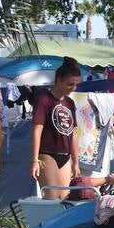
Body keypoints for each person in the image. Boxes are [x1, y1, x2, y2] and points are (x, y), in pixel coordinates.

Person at [30, 57, 82, 196]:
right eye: (70, 84)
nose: (73, 88)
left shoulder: (70, 103)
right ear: (59, 80)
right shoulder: (43, 100)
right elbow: (37, 131)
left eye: (76, 84)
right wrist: (35, 159)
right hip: (47, 154)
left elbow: (73, 133)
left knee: (65, 199)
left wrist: (76, 162)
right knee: (52, 198)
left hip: (65, 155)